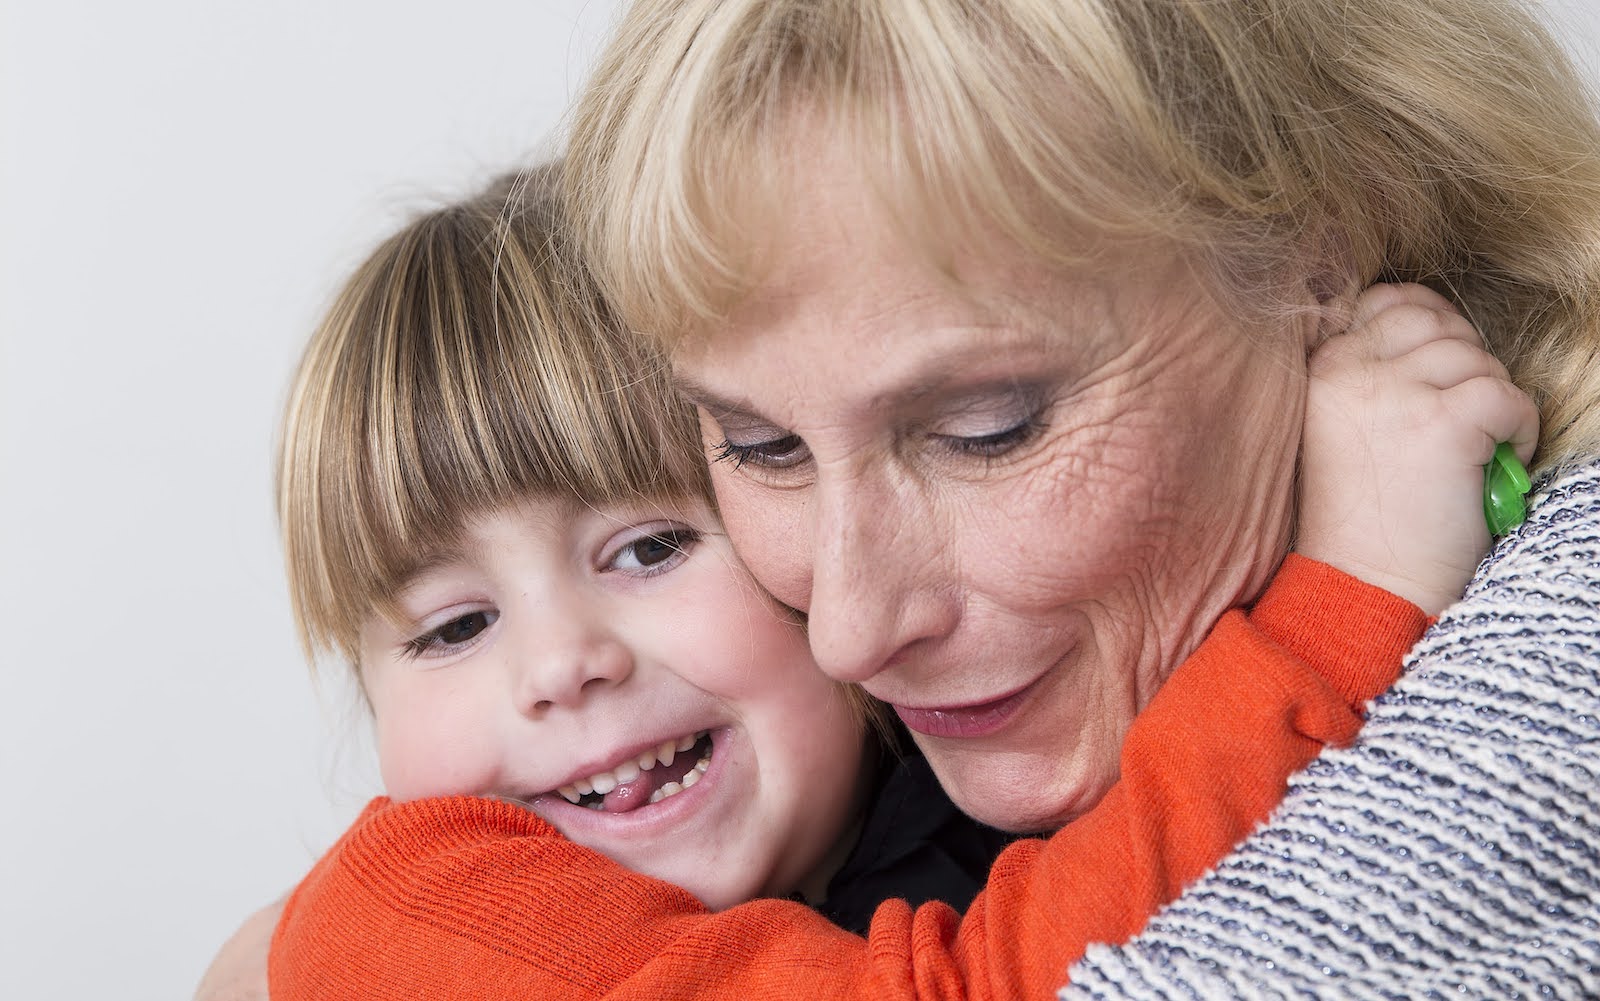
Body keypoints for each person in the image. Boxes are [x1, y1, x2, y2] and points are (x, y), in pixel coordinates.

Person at [262, 166, 1460, 999]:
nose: (561, 664)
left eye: (648, 549)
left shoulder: (989, 801)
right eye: (454, 624)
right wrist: (1347, 590)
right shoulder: (407, 913)